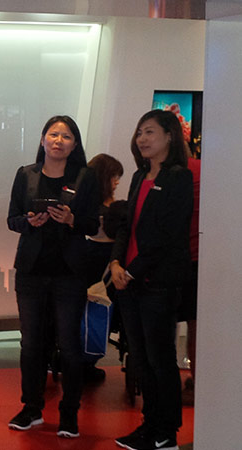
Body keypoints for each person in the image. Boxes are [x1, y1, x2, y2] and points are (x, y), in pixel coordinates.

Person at [6, 115, 100, 439]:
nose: (58, 141)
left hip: (69, 273)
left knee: (69, 345)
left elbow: (93, 225)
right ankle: (31, 408)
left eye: (66, 136)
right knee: (31, 343)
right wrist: (28, 222)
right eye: (53, 134)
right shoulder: (26, 174)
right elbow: (12, 219)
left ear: (75, 145)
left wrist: (72, 219)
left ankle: (69, 413)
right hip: (31, 271)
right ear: (43, 139)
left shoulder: (86, 177)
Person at [110, 110, 193, 450]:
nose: (142, 139)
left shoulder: (178, 178)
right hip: (129, 281)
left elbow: (167, 235)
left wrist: (131, 270)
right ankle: (149, 425)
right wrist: (116, 262)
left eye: (150, 132)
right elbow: (126, 225)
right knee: (141, 359)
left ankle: (166, 432)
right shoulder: (138, 175)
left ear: (169, 136)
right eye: (139, 132)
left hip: (157, 282)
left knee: (161, 360)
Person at [83, 153, 127, 383]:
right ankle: (89, 357)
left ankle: (85, 357)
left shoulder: (85, 207)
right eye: (114, 177)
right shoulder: (117, 210)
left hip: (91, 259)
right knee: (104, 309)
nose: (117, 181)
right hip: (110, 261)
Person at [179, 151, 200, 407]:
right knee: (197, 325)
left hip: (177, 258)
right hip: (201, 257)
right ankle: (199, 378)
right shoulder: (203, 169)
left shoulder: (172, 174)